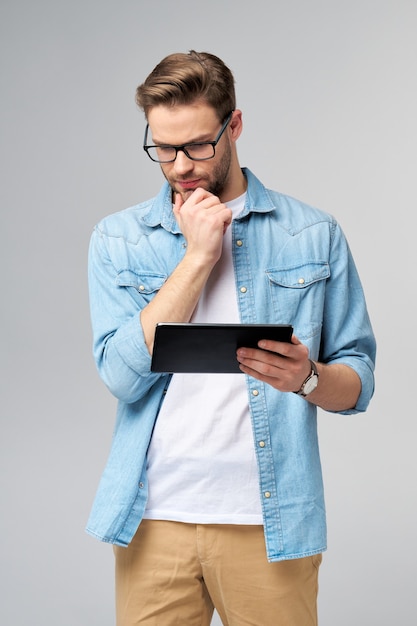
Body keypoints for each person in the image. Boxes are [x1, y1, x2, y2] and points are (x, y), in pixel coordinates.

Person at [86, 50, 376, 626]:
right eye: (163, 148)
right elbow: (120, 375)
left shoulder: (312, 235)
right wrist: (197, 256)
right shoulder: (119, 239)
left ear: (234, 126)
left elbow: (359, 384)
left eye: (197, 145)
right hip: (153, 521)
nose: (179, 165)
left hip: (270, 523)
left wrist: (308, 377)